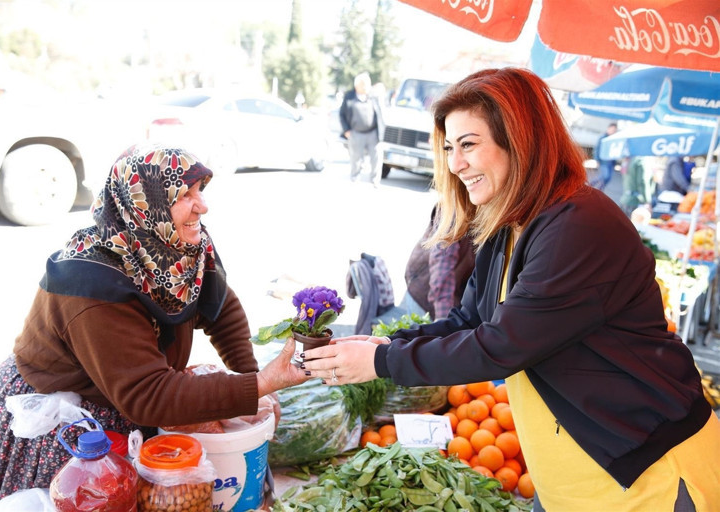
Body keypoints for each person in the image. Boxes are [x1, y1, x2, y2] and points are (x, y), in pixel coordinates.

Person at [301, 68, 720, 511]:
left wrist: (381, 362)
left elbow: (500, 345)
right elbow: (469, 321)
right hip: (567, 483)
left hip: (647, 478)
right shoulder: (508, 226)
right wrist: (387, 344)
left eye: (468, 144)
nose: (454, 164)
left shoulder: (579, 225)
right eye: (449, 148)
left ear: (520, 141)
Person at [0, 143, 307, 509]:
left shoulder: (180, 243)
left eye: (200, 190)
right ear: (146, 203)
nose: (202, 206)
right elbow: (149, 394)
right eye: (185, 195)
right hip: (64, 420)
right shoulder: (92, 280)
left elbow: (221, 309)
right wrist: (261, 384)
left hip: (128, 401)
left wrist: (250, 378)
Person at [404, 205, 476, 320]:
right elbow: (441, 268)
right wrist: (443, 318)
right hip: (423, 291)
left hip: (454, 296)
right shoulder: (455, 209)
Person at [339, 71, 385, 187]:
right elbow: (342, 114)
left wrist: (381, 133)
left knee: (376, 157)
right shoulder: (349, 97)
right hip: (356, 133)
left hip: (372, 132)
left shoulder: (373, 97)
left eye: (367, 84)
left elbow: (380, 114)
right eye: (363, 84)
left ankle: (375, 180)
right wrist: (346, 130)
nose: (365, 87)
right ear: (357, 86)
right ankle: (355, 179)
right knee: (356, 158)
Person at [593, 122, 618, 190]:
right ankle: (591, 185)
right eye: (612, 130)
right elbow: (597, 149)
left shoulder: (614, 138)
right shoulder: (603, 138)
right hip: (603, 161)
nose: (613, 132)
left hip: (611, 162)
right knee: (604, 176)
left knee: (608, 178)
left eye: (614, 131)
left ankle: (599, 190)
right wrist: (597, 160)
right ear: (608, 129)